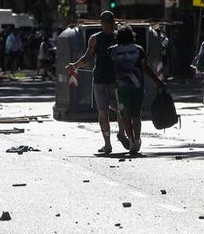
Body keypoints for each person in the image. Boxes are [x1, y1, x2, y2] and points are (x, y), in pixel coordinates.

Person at [65, 11, 121, 154]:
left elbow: (87, 58)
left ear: (101, 23)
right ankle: (121, 134)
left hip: (103, 80)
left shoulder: (95, 39)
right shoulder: (119, 37)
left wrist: (74, 66)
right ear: (113, 22)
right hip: (115, 80)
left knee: (103, 113)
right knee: (121, 110)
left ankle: (108, 144)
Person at [107, 24, 165, 155]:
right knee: (136, 115)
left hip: (121, 88)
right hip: (137, 87)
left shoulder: (111, 50)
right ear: (131, 36)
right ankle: (137, 139)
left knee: (125, 116)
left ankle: (132, 140)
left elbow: (109, 67)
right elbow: (145, 68)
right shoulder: (138, 49)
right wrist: (157, 81)